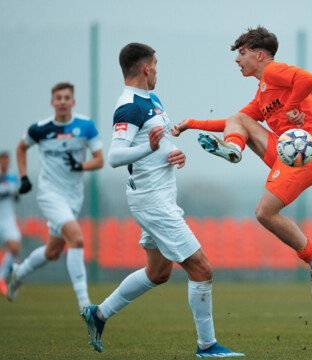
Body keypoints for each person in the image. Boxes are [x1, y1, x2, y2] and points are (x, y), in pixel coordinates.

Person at [80, 42, 243, 358]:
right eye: (155, 64)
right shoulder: (129, 106)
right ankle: (207, 346)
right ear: (145, 67)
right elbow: (115, 156)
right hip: (153, 202)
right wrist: (152, 150)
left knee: (158, 273)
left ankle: (98, 314)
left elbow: (158, 139)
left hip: (160, 197)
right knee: (202, 269)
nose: (156, 69)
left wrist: (172, 152)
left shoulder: (152, 99)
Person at [172, 26, 312, 301]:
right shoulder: (263, 92)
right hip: (288, 153)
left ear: (260, 55)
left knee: (263, 212)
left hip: (311, 151)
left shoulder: (273, 70)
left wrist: (293, 105)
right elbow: (232, 122)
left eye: (242, 53)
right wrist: (191, 124)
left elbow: (309, 78)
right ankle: (234, 149)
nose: (237, 59)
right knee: (241, 122)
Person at [7, 82, 104, 312]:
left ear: (73, 102)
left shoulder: (85, 126)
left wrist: (81, 166)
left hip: (73, 197)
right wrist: (23, 177)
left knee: (53, 251)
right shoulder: (40, 129)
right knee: (77, 239)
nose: (62, 101)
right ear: (52, 102)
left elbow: (99, 160)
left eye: (66, 97)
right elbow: (21, 148)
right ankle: (85, 305)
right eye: (58, 98)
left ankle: (18, 273)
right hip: (49, 194)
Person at [0, 151, 22, 296]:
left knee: (15, 248)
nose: (6, 163)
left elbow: (15, 196)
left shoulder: (13, 176)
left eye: (8, 161)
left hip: (7, 219)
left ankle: (1, 277)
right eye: (3, 160)